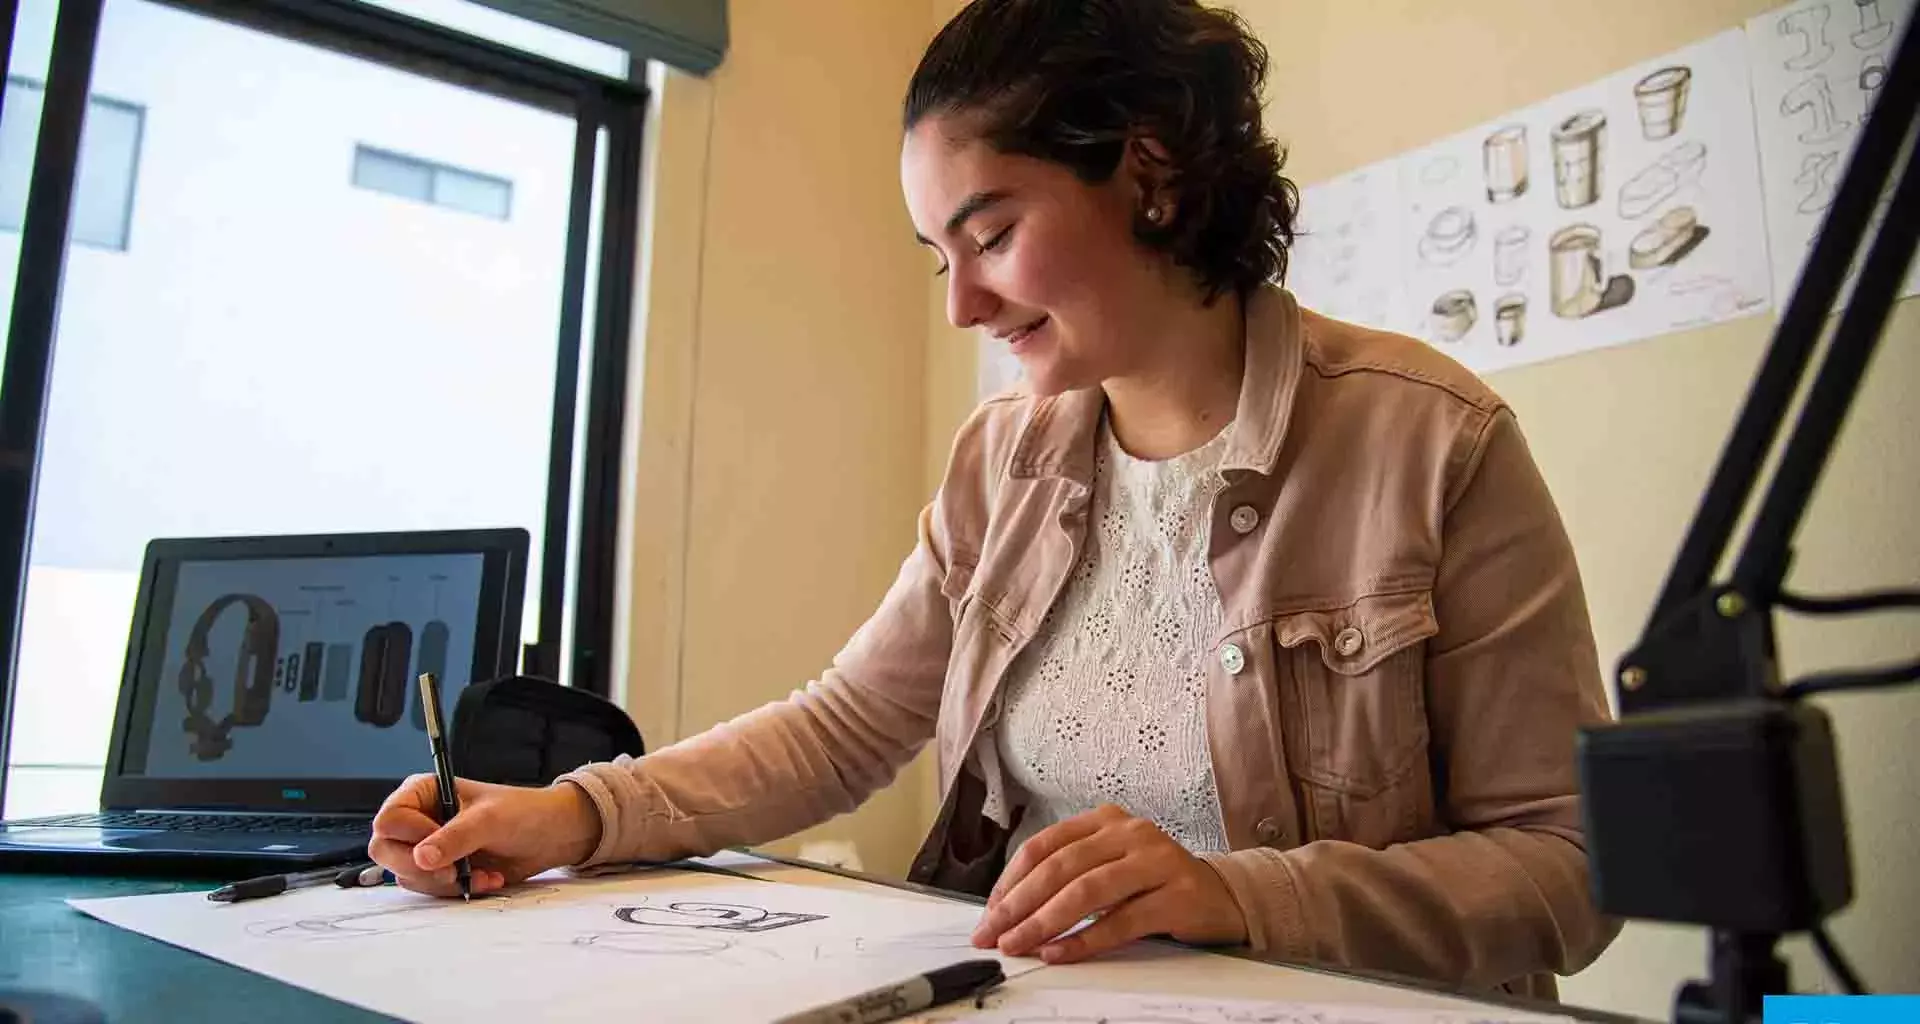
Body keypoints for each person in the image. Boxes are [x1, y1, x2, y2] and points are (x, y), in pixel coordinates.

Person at [369, 0, 1621, 999]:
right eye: (939, 257)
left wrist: (1243, 895)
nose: (963, 304)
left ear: (1153, 174)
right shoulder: (1000, 463)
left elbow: (1572, 865)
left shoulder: (1431, 440)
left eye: (993, 233)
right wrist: (571, 814)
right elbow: (844, 726)